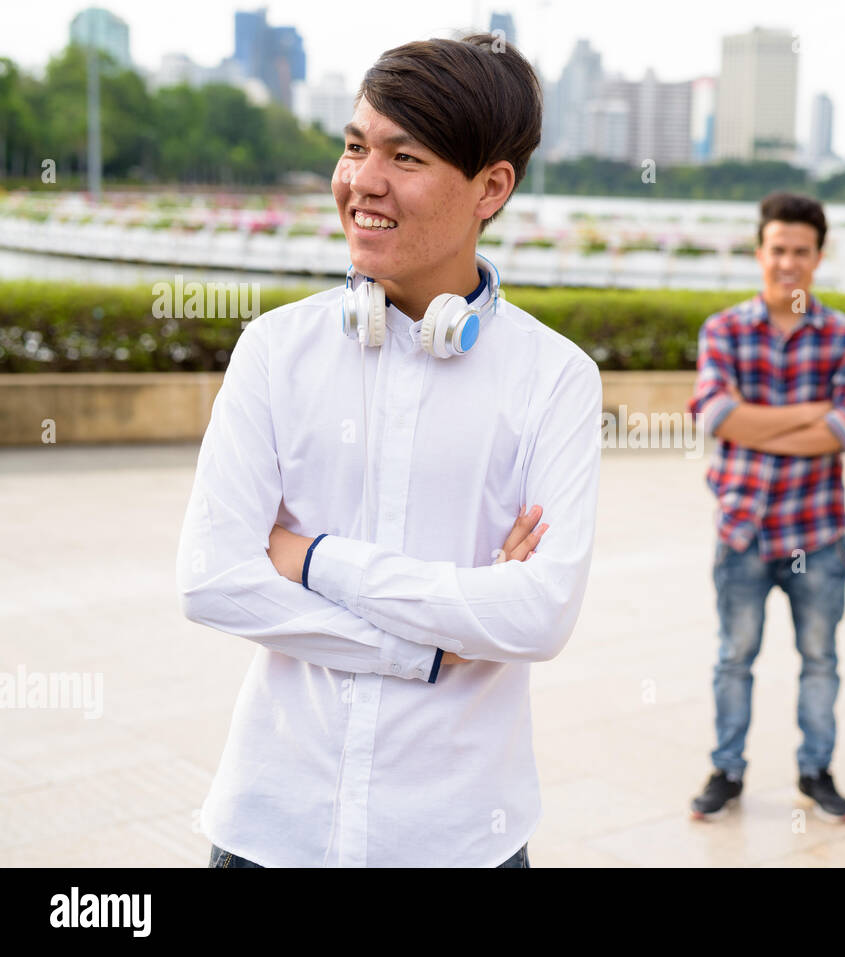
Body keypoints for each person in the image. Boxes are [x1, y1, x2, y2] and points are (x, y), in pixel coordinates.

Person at [176, 35, 602, 867]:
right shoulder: (273, 350)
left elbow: (539, 614)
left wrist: (310, 557)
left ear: (492, 187)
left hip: (459, 835)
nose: (362, 181)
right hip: (271, 826)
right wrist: (433, 638)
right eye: (354, 145)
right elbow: (211, 580)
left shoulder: (556, 378)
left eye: (404, 156)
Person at [686, 192, 845, 823]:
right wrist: (807, 414)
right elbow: (716, 416)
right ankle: (727, 771)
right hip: (742, 528)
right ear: (759, 252)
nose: (787, 263)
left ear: (819, 257)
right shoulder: (725, 328)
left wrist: (753, 423)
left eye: (801, 251)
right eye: (777, 250)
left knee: (820, 659)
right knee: (733, 658)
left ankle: (816, 771)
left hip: (816, 535)